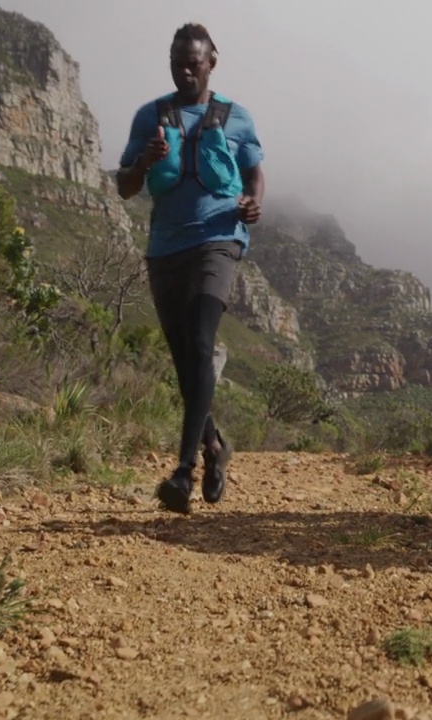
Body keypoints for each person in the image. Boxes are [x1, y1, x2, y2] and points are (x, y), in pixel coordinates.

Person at [115, 22, 265, 514]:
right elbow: (126, 187)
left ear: (211, 63)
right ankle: (216, 446)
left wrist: (252, 204)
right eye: (177, 63)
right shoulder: (150, 116)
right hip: (165, 249)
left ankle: (183, 471)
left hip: (218, 241)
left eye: (192, 63)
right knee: (186, 361)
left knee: (202, 343)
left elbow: (255, 171)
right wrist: (143, 162)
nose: (184, 71)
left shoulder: (235, 116)